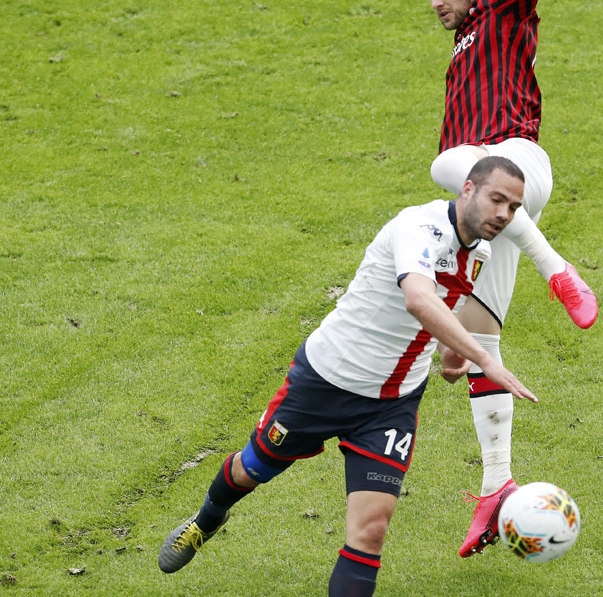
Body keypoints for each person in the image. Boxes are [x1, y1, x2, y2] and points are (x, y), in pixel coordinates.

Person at [157, 156, 537, 597]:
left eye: (513, 207)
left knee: (371, 531)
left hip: (393, 405)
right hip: (325, 382)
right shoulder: (418, 226)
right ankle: (207, 521)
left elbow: (446, 305)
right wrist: (486, 360)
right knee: (251, 469)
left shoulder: (482, 253)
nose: (503, 215)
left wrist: (454, 354)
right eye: (497, 200)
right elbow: (418, 297)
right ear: (468, 190)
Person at [420, 0, 596, 558]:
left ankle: (557, 270)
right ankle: (497, 484)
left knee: (446, 163)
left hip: (520, 161)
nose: (436, 2)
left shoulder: (502, 4)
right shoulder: (460, 55)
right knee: (472, 344)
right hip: (493, 209)